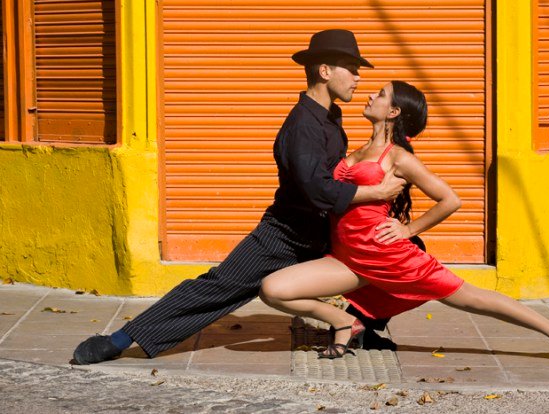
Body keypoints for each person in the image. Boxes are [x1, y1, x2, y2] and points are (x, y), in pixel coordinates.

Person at [71, 29, 407, 365]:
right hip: (285, 236)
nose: (358, 78)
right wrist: (375, 192)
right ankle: (118, 340)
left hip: (323, 230)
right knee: (217, 286)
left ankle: (366, 326)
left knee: (403, 253)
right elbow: (317, 189)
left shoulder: (330, 116)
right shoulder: (304, 125)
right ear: (324, 71)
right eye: (351, 67)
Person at [259, 80, 549, 364]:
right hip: (349, 260)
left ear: (393, 112)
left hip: (390, 258)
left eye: (380, 94)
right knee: (273, 290)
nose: (369, 95)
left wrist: (408, 230)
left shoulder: (397, 157)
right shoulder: (354, 149)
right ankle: (346, 322)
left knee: (477, 299)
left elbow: (450, 199)